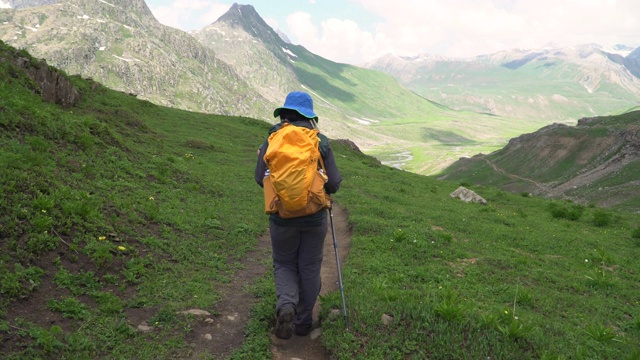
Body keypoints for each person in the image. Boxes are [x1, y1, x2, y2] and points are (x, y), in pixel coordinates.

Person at [254, 91, 343, 339]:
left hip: (281, 217)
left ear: (284, 113)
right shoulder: (320, 142)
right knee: (310, 267)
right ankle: (303, 323)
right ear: (309, 116)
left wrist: (285, 191)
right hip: (314, 218)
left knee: (284, 263)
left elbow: (259, 178)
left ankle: (286, 307)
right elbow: (334, 183)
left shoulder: (272, 140)